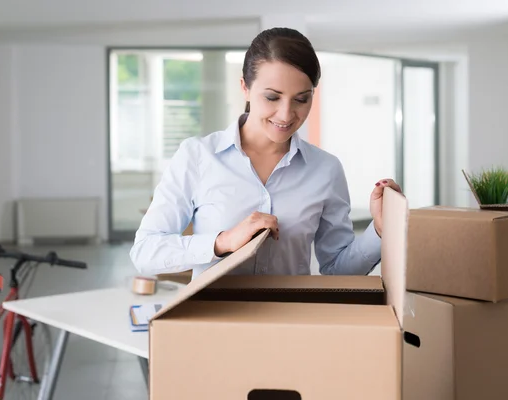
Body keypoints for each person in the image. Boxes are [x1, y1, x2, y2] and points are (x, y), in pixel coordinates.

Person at [130, 27, 402, 280]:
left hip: (290, 323)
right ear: (245, 88)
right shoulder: (197, 156)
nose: (286, 115)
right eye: (272, 97)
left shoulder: (326, 170)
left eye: (301, 99)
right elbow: (145, 252)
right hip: (215, 323)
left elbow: (337, 272)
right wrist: (222, 241)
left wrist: (379, 231)